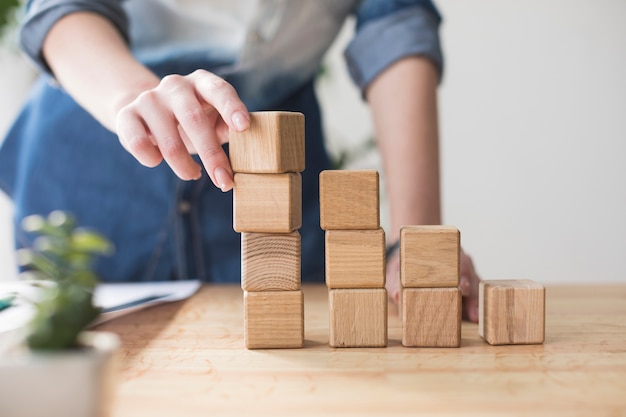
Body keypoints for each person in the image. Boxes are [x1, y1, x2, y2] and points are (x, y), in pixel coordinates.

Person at [0, 0, 481, 322]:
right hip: (103, 139)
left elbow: (395, 22)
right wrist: (135, 97)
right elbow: (58, 7)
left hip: (274, 149)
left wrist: (412, 239)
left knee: (286, 357)